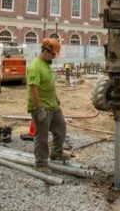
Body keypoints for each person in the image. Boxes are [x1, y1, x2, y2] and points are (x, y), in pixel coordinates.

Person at [25, 38, 68, 173]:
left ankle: (56, 153)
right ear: (46, 51)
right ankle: (41, 163)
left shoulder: (46, 65)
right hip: (42, 107)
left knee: (61, 129)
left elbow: (48, 85)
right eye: (53, 54)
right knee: (42, 136)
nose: (54, 57)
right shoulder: (35, 67)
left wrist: (55, 98)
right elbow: (33, 89)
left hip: (53, 106)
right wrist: (39, 110)